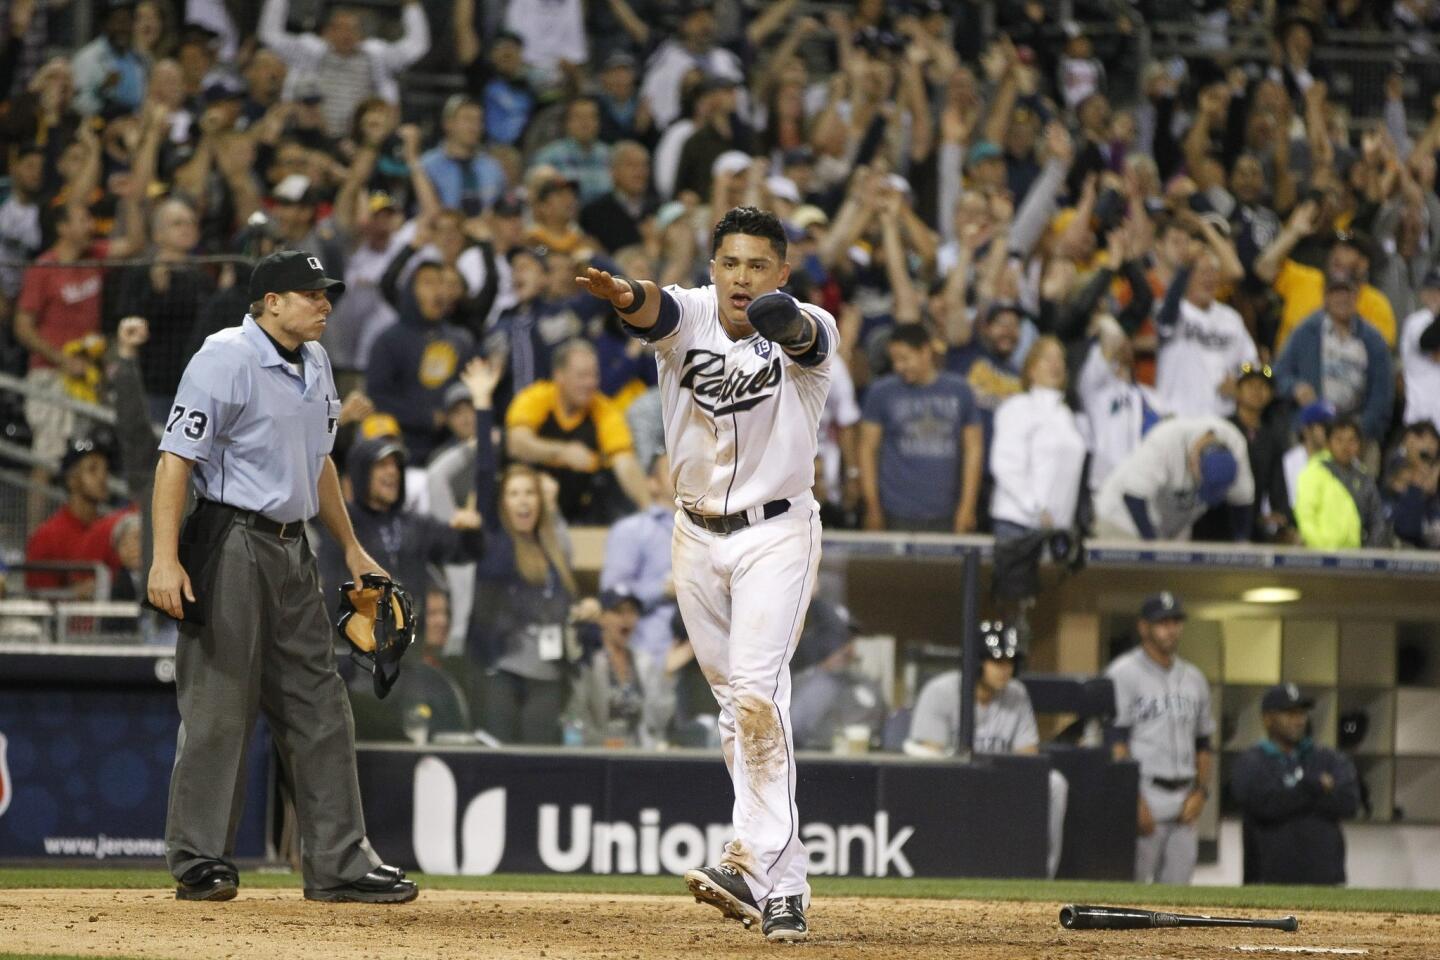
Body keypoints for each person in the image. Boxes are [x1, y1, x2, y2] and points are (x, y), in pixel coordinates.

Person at [576, 205, 837, 942]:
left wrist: (780, 314)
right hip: (693, 532)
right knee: (736, 709)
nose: (743, 276)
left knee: (758, 694)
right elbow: (652, 310)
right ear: (713, 267)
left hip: (776, 533)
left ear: (781, 271)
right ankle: (783, 888)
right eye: (731, 263)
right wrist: (627, 296)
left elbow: (803, 335)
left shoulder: (809, 322)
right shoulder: (692, 311)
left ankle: (750, 859)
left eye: (759, 264)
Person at [146, 249, 416, 904]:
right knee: (219, 702)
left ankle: (338, 863)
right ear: (270, 301)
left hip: (294, 548)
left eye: (326, 294)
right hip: (231, 538)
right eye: (310, 294)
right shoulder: (224, 357)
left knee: (320, 703)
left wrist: (350, 546)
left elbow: (319, 461)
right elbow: (175, 460)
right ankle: (200, 859)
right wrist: (163, 556)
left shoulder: (317, 361)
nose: (324, 304)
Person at [463, 355, 582, 745]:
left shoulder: (552, 546)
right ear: (503, 503)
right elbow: (484, 471)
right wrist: (483, 403)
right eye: (513, 494)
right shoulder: (494, 538)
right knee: (499, 758)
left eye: (529, 493)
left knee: (540, 762)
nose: (523, 501)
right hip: (500, 669)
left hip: (548, 676)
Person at [904, 620, 1068, 878]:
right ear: (977, 662)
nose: (1005, 669)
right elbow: (929, 756)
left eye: (1009, 662)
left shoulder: (1017, 694)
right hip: (953, 784)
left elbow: (1028, 756)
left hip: (1002, 782)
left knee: (1054, 782)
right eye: (997, 661)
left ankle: (1042, 876)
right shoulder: (940, 691)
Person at [1106, 592, 1215, 886]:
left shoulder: (1194, 678)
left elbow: (1204, 744)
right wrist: (1133, 799)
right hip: (1145, 794)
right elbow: (1115, 742)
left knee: (1178, 902)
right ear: (1144, 627)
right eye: (1162, 622)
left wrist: (1201, 793)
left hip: (1185, 799)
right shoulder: (1123, 673)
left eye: (1176, 621)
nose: (1171, 629)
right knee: (1134, 894)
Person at [315, 433, 484, 619]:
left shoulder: (416, 524)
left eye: (396, 465)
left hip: (410, 640)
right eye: (382, 465)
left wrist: (471, 531)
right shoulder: (340, 522)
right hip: (350, 639)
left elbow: (465, 552)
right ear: (361, 472)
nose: (393, 472)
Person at [504, 338, 649, 524]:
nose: (590, 383)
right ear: (559, 376)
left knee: (610, 485)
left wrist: (649, 509)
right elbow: (516, 444)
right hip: (530, 506)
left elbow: (625, 462)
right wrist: (562, 452)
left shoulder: (604, 409)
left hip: (579, 507)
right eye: (582, 376)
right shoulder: (536, 397)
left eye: (594, 375)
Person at [1230, 683, 1360, 885]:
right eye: (1289, 713)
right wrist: (1315, 787)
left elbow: (1349, 803)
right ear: (1267, 719)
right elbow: (1264, 806)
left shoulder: (1328, 758)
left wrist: (1291, 795)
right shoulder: (1251, 762)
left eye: (1301, 713)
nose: (1298, 720)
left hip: (1326, 880)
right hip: (1268, 880)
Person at [859, 323, 983, 533]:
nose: (899, 366)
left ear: (926, 351)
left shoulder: (960, 390)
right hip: (894, 511)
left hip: (947, 511)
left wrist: (967, 507)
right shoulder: (881, 392)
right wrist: (872, 507)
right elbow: (867, 449)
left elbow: (974, 449)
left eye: (905, 358)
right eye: (895, 360)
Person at [258, 0, 430, 140]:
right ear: (327, 31)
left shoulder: (377, 56)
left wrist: (411, 6)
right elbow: (269, 34)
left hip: (359, 138)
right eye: (339, 28)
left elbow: (417, 46)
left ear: (361, 34)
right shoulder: (309, 52)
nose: (346, 34)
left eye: (352, 29)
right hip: (313, 135)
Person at [1272, 268, 1393, 446]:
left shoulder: (1373, 339)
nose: (1342, 299)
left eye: (1347, 293)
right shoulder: (1305, 331)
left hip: (1356, 431)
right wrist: (1295, 388)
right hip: (1313, 429)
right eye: (1336, 293)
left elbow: (1382, 395)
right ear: (1325, 297)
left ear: (1357, 297)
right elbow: (1278, 374)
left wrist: (1360, 431)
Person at [1094, 417, 1255, 542]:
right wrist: (1153, 547)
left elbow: (1242, 502)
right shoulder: (1166, 440)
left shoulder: (1235, 443)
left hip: (1169, 527)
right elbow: (1133, 495)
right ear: (1194, 462)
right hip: (1120, 520)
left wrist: (1242, 543)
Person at [989, 336, 1086, 541]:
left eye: (1060, 359)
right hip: (1019, 524)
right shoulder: (1018, 407)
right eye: (1047, 358)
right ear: (1031, 369)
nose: (1055, 364)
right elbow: (1005, 465)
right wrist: (1034, 506)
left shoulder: (1066, 415)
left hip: (1057, 528)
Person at [564, 587, 676, 748]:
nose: (626, 618)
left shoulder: (643, 663)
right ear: (601, 618)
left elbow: (658, 721)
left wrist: (668, 676)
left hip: (636, 754)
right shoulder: (588, 660)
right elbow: (576, 717)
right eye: (618, 611)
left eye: (632, 611)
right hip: (596, 754)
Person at [600, 453, 677, 666]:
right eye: (673, 467)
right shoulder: (632, 530)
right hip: (652, 654)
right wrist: (664, 590)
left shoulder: (713, 532)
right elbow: (612, 594)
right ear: (652, 483)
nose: (684, 470)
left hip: (708, 657)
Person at [24, 436, 114, 596]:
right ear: (72, 479)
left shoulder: (112, 530)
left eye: (105, 470)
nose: (103, 477)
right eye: (93, 469)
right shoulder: (47, 535)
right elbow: (36, 599)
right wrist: (73, 594)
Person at [1294, 417, 1392, 549]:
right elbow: (1306, 517)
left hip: (1356, 558)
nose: (1345, 446)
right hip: (1321, 556)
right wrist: (1322, 549)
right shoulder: (1314, 473)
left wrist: (1368, 552)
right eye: (1339, 440)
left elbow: (1376, 519)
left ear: (1359, 445)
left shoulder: (1364, 477)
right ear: (1328, 443)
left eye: (1351, 440)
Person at [1382, 422, 1440, 550]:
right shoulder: (1395, 473)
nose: (1428, 445)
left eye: (1432, 440)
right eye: (1421, 438)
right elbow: (1407, 530)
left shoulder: (1435, 491)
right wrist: (1416, 488)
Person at [1399, 270, 1440, 431]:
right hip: (1421, 420)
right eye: (1433, 291)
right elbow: (1427, 341)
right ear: (1423, 295)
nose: (1436, 296)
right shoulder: (1417, 321)